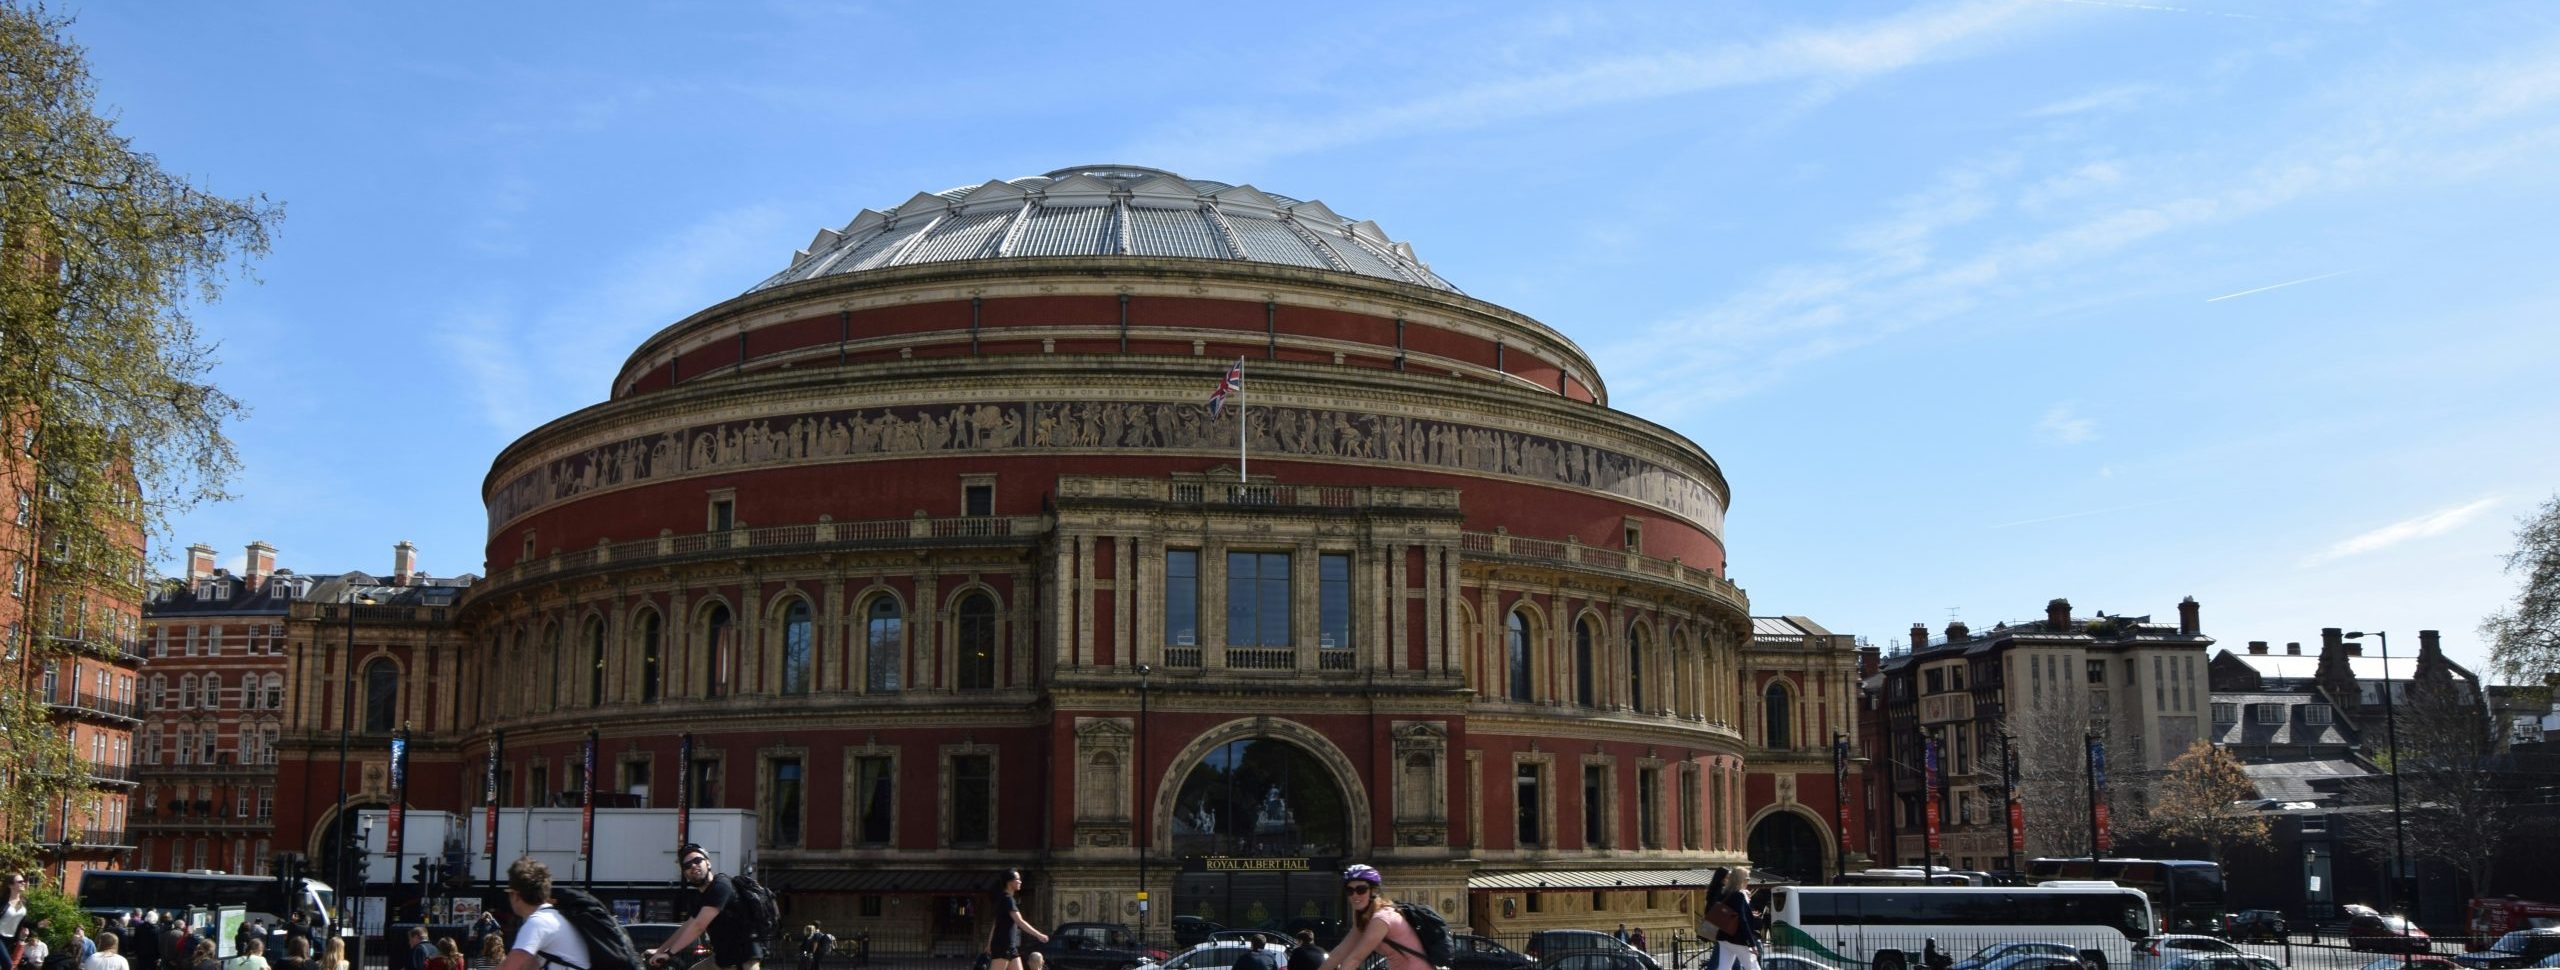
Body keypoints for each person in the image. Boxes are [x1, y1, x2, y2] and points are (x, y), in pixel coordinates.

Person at [642, 844, 762, 970]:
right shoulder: (701, 896)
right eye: (687, 866)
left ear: (708, 863)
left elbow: (698, 926)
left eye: (697, 860)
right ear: (685, 874)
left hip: (743, 962)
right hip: (722, 960)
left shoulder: (721, 885)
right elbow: (688, 926)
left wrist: (669, 954)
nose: (693, 866)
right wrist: (660, 950)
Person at [1313, 865, 1427, 970]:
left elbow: (1355, 959)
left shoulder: (1381, 918)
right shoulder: (1365, 918)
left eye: (1361, 890)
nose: (1354, 895)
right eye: (1349, 890)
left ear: (1373, 891)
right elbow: (1339, 953)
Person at [495, 858, 585, 970]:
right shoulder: (551, 917)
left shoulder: (538, 923)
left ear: (516, 895)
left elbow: (510, 967)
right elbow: (527, 966)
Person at [982, 870, 1046, 970]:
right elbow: (1019, 921)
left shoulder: (1004, 898)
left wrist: (989, 944)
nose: (1020, 881)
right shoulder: (1008, 900)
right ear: (1009, 882)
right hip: (1003, 945)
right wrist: (1039, 935)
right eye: (1017, 879)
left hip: (1010, 946)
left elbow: (995, 924)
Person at [1709, 866, 1761, 970]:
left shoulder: (1724, 894)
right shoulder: (1739, 896)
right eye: (1747, 879)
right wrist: (1751, 943)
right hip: (1738, 939)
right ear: (1741, 880)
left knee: (1724, 967)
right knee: (1753, 967)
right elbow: (1742, 920)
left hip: (1723, 936)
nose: (1748, 881)